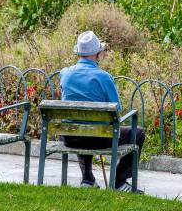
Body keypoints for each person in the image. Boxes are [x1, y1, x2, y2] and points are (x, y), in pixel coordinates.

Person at [59, 31, 145, 193]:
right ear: (98, 53)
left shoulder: (65, 74)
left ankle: (88, 179)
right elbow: (116, 110)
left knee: (80, 126)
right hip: (100, 138)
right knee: (138, 133)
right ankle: (119, 181)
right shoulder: (104, 77)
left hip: (70, 137)